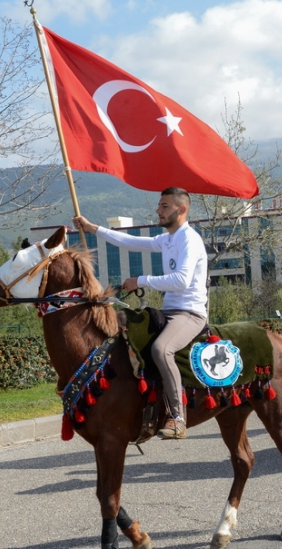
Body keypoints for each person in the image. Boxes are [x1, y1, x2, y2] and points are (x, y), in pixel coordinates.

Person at [73, 187, 207, 440]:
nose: (158, 210)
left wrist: (141, 280)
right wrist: (93, 228)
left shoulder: (189, 239)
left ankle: (178, 418)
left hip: (190, 314)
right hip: (169, 312)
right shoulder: (168, 238)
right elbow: (131, 242)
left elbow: (181, 280)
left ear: (182, 209)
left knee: (161, 350)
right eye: (159, 205)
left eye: (164, 206)